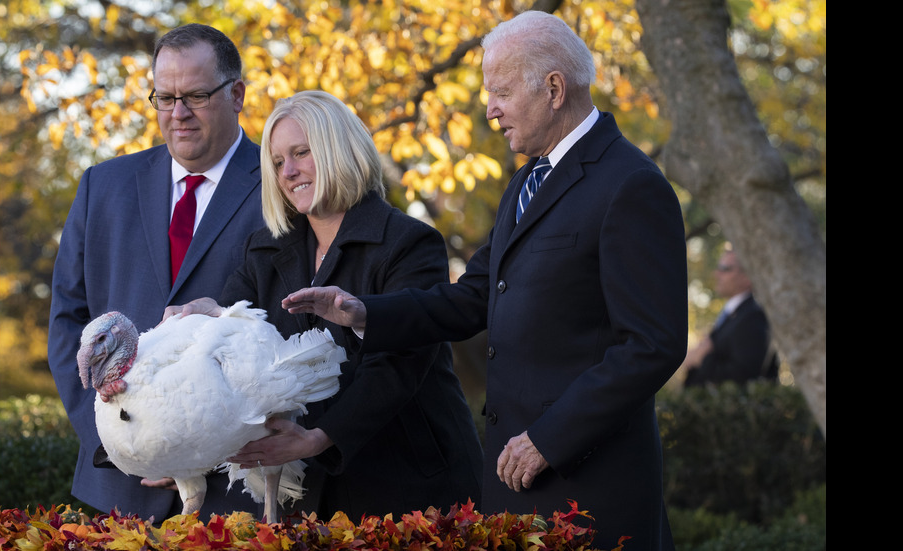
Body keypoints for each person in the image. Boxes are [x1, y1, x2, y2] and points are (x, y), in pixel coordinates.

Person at [282, 11, 687, 550]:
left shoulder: (631, 185)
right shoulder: (526, 181)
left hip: (590, 493)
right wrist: (364, 313)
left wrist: (548, 439)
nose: (489, 110)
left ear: (553, 88)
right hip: (515, 490)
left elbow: (652, 346)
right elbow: (474, 297)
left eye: (499, 92)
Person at [165, 90, 483, 521]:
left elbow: (399, 365)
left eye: (300, 153)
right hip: (306, 491)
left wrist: (319, 436)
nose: (288, 171)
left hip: (406, 484)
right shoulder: (263, 250)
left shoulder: (408, 242)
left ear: (338, 149)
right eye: (277, 162)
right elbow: (230, 336)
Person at [47, 23, 265, 522]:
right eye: (164, 97)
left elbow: (290, 325)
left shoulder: (284, 187)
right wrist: (125, 439)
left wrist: (201, 448)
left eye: (195, 95)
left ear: (237, 94)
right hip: (118, 490)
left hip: (236, 494)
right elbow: (68, 326)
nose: (178, 113)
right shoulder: (102, 186)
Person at [683, 248, 779, 386]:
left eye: (725, 268)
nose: (717, 274)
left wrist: (702, 359)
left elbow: (744, 376)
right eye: (718, 268)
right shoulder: (734, 314)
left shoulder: (753, 317)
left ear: (747, 277)